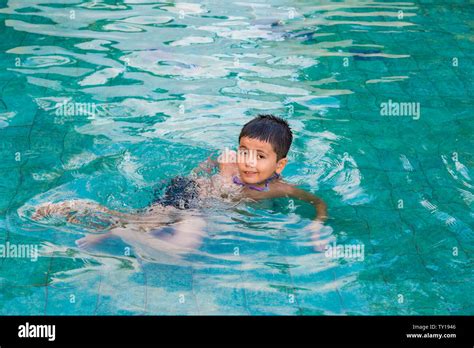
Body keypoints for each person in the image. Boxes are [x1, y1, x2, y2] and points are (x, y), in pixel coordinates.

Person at [32, 114, 328, 253]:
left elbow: (318, 203)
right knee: (181, 247)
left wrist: (316, 226)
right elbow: (210, 180)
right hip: (190, 200)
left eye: (260, 156)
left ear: (280, 164)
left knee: (142, 221)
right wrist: (218, 174)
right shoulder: (230, 166)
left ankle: (103, 226)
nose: (249, 162)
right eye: (244, 151)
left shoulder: (279, 187)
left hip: (192, 203)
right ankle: (111, 227)